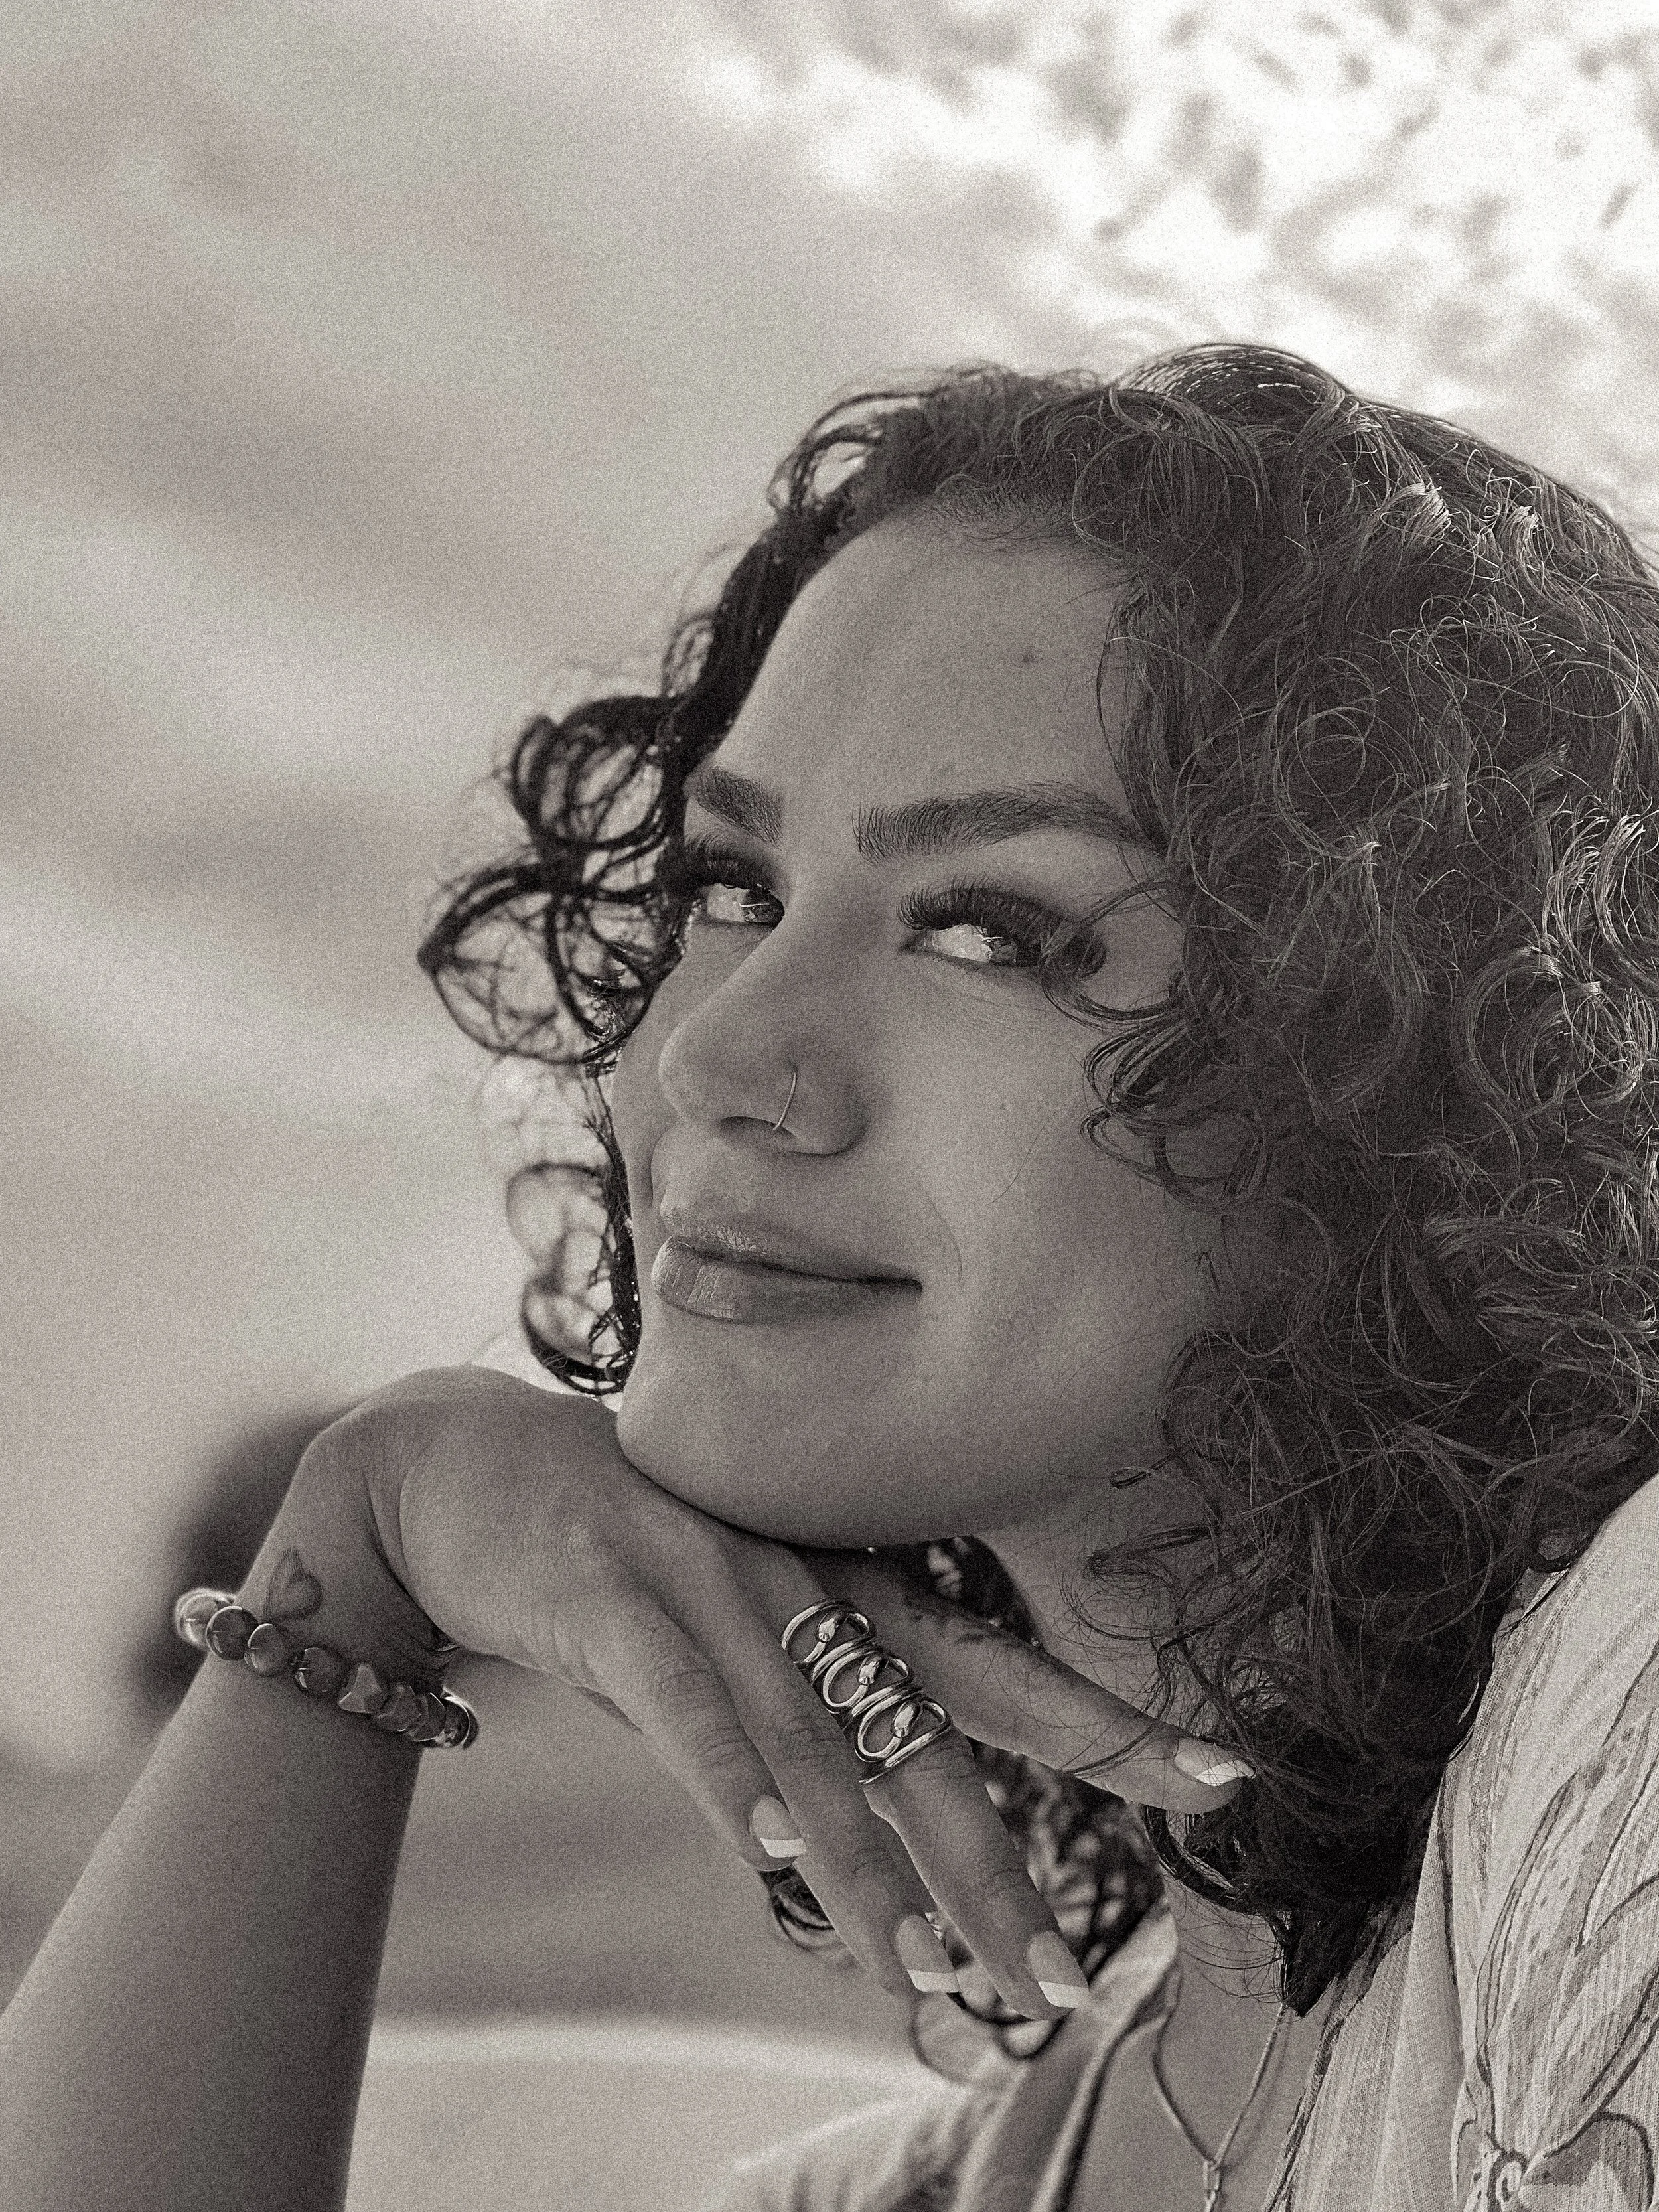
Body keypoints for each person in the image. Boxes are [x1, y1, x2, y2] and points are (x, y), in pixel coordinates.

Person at [4, 343, 1658, 2212]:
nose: (718, 1058)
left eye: (991, 927)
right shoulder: (1002, 2166)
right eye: (733, 885)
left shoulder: (1622, 1706)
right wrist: (354, 1555)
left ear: (1429, 1064)